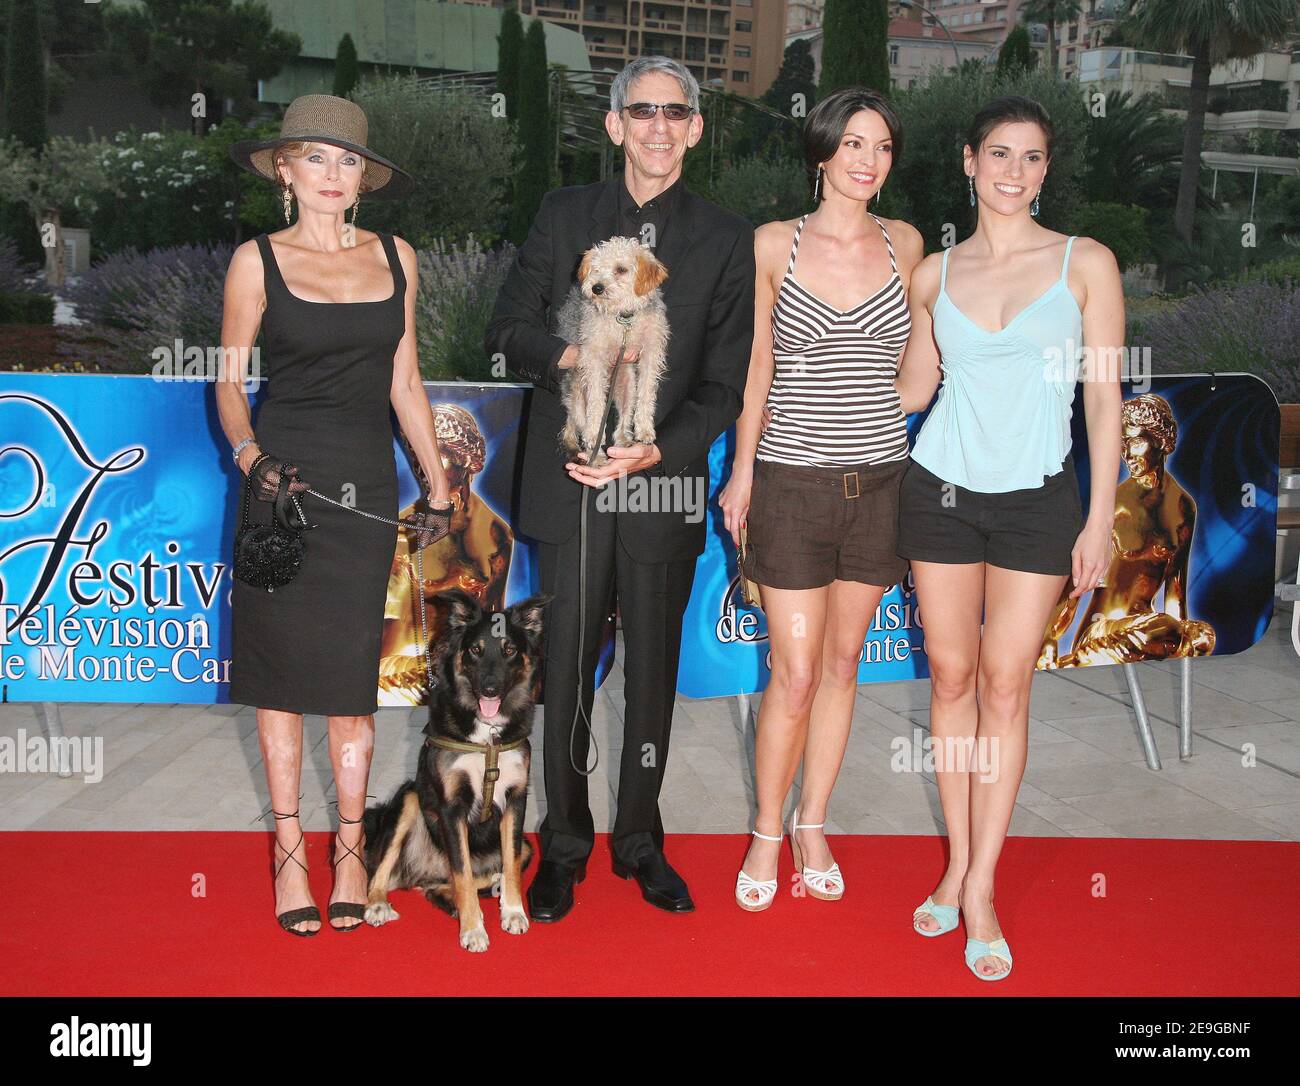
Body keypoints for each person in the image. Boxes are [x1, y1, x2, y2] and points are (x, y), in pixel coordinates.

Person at [484, 56, 755, 921]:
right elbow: (507, 332)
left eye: (676, 112)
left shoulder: (721, 237)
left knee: (651, 675)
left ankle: (638, 839)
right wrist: (582, 355)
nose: (659, 126)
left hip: (660, 486)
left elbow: (722, 384)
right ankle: (563, 843)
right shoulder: (565, 216)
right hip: (568, 484)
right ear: (614, 125)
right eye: (642, 111)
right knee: (560, 672)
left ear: (696, 129)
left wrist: (656, 452)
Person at [893, 96, 1122, 979]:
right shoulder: (935, 276)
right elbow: (915, 391)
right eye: (999, 154)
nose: (1014, 172)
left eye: (1031, 158)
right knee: (950, 678)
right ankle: (955, 862)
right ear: (967, 161)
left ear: (1045, 171)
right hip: (939, 493)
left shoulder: (1085, 265)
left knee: (1004, 685)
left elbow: (1102, 397)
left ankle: (981, 884)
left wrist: (1099, 515)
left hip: (1038, 501)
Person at [218, 94, 454, 936]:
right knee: (280, 678)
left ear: (364, 177)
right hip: (278, 483)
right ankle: (288, 852)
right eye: (312, 157)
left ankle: (349, 850)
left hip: (362, 484)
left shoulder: (398, 257)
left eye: (346, 159)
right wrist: (253, 460)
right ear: (283, 169)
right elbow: (229, 383)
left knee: (352, 685)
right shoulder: (255, 262)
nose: (330, 174)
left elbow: (406, 382)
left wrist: (437, 484)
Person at [718, 87, 924, 912]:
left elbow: (924, 355)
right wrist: (742, 471)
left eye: (881, 147)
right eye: (853, 145)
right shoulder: (774, 243)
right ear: (821, 153)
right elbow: (755, 367)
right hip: (791, 486)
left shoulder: (907, 242)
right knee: (796, 674)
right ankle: (768, 831)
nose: (868, 161)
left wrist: (893, 408)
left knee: (843, 666)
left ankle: (814, 822)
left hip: (880, 485)